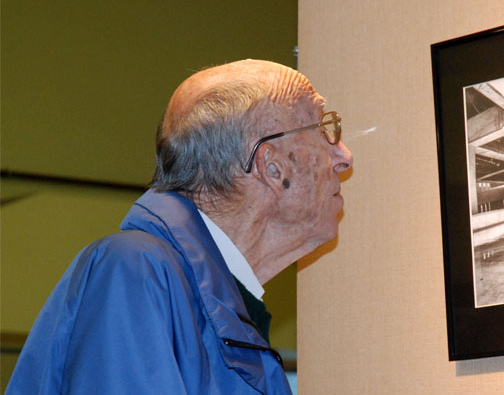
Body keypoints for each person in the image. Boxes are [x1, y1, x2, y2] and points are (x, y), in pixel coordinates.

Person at [6, 59, 353, 394]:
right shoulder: (136, 269)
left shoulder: (218, 305)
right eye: (324, 130)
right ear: (271, 166)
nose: (344, 157)